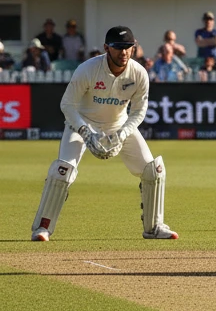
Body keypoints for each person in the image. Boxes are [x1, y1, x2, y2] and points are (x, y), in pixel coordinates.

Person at [29, 24, 176, 242]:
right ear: (107, 48)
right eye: (118, 47)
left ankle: (154, 227)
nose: (123, 52)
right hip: (82, 125)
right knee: (62, 170)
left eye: (128, 47)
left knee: (153, 170)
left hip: (119, 125)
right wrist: (85, 132)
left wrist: (123, 133)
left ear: (134, 48)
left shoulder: (139, 73)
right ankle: (43, 227)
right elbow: (67, 105)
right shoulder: (88, 69)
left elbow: (139, 111)